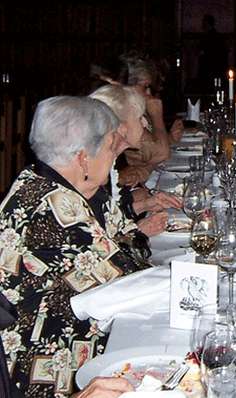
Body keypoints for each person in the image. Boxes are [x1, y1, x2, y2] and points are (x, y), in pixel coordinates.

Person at [0, 96, 150, 396]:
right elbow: (129, 278)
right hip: (40, 367)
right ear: (83, 158)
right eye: (111, 147)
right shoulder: (56, 207)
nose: (113, 157)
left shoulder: (33, 181)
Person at [89, 84, 181, 235]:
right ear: (121, 126)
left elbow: (110, 215)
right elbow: (94, 233)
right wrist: (136, 234)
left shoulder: (110, 161)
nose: (145, 124)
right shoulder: (95, 168)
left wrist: (146, 204)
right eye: (139, 118)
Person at [115, 52, 183, 186]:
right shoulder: (121, 114)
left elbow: (154, 149)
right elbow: (160, 154)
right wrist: (157, 115)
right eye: (145, 87)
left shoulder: (137, 112)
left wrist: (170, 138)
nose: (149, 94)